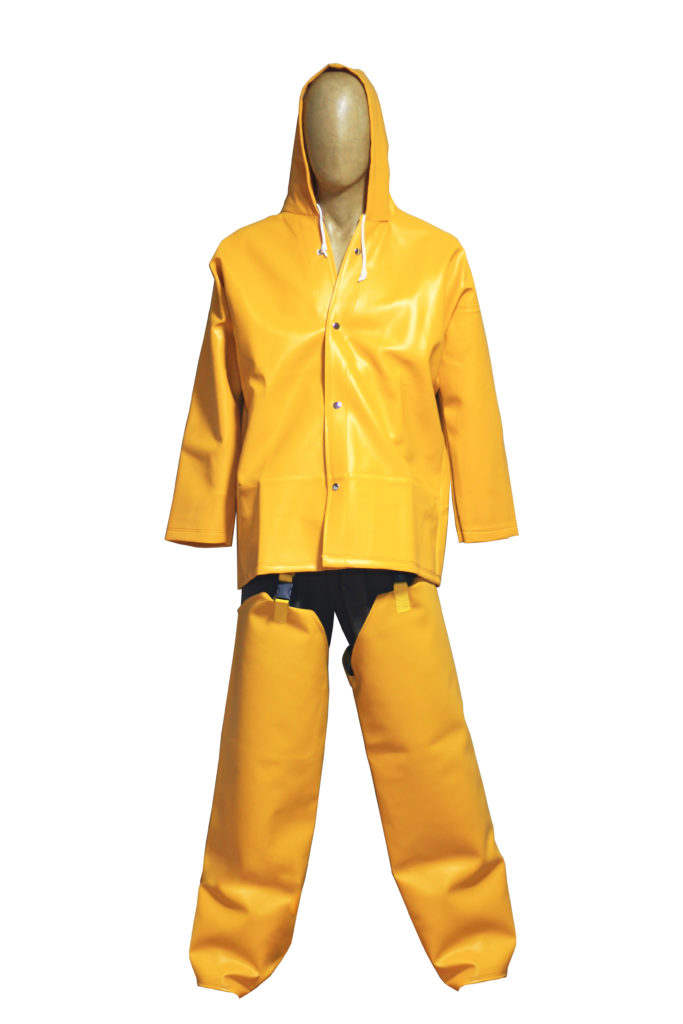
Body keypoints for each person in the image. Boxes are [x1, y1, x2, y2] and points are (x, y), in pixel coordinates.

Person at [165, 61, 519, 999]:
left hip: (392, 549)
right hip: (281, 547)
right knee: (259, 773)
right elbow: (216, 403)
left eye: (350, 122)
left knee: (432, 762)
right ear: (300, 138)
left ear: (376, 137)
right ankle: (229, 963)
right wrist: (203, 515)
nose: (336, 140)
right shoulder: (241, 261)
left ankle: (478, 956)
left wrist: (484, 511)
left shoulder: (436, 262)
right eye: (323, 124)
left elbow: (468, 399)